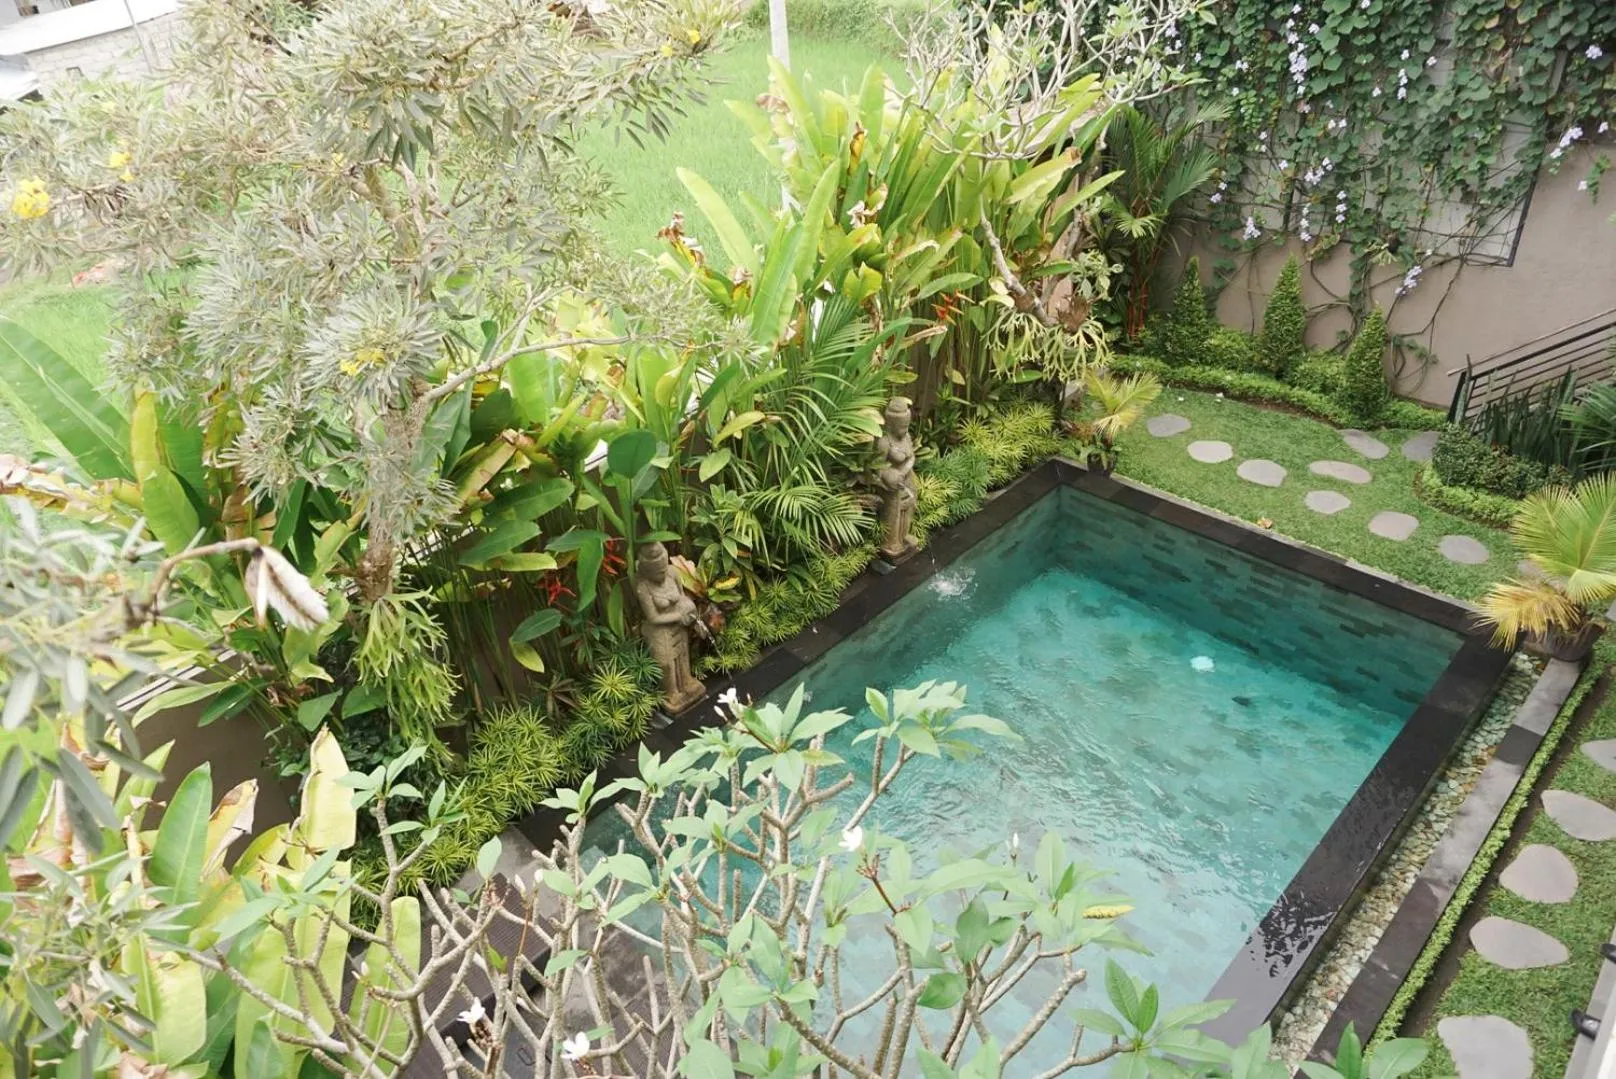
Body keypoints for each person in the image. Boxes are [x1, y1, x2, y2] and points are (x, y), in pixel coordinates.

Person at [632, 541, 705, 711]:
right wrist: (677, 616)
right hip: (659, 628)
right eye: (658, 572)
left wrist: (689, 610)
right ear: (647, 571)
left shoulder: (672, 573)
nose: (662, 573)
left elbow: (681, 596)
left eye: (663, 568)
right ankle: (671, 692)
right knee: (666, 662)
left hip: (678, 623)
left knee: (683, 653)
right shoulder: (644, 587)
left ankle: (686, 680)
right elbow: (653, 617)